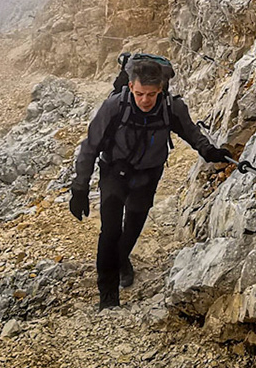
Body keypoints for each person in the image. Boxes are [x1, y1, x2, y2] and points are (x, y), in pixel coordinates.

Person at [68, 54, 228, 308]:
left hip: (148, 175)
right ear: (131, 86)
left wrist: (210, 152)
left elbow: (192, 134)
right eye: (140, 93)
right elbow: (90, 146)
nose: (145, 100)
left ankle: (122, 260)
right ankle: (108, 296)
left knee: (132, 226)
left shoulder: (171, 107)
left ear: (160, 90)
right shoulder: (114, 107)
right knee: (110, 232)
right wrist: (80, 188)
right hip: (114, 172)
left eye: (151, 95)